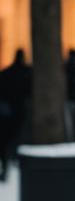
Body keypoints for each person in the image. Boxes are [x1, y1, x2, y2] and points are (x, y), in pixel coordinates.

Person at [0, 48, 32, 181]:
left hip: (8, 112)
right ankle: (13, 160)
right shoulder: (27, 72)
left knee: (6, 140)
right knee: (16, 138)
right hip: (19, 111)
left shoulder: (6, 73)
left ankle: (8, 163)